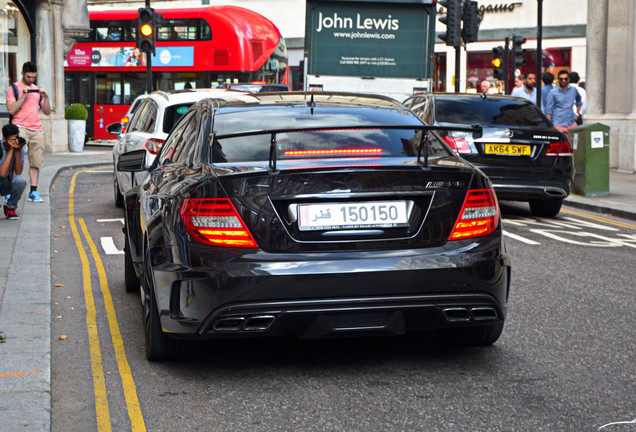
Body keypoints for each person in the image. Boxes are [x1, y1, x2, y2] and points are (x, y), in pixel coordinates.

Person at [6, 61, 51, 203]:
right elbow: (11, 110)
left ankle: (33, 192)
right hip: (19, 127)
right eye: (28, 77)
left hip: (37, 129)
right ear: (22, 74)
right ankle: (10, 190)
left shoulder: (37, 89)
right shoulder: (13, 88)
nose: (31, 80)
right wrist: (24, 96)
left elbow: (47, 112)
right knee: (15, 160)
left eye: (33, 77)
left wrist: (46, 97)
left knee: (36, 161)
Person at [0, 124, 27, 220]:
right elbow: (2, 173)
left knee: (20, 180)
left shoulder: (19, 149)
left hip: (6, 182)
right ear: (4, 139)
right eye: (12, 139)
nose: (15, 141)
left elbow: (18, 172)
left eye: (16, 138)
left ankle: (10, 208)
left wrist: (18, 151)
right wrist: (11, 150)